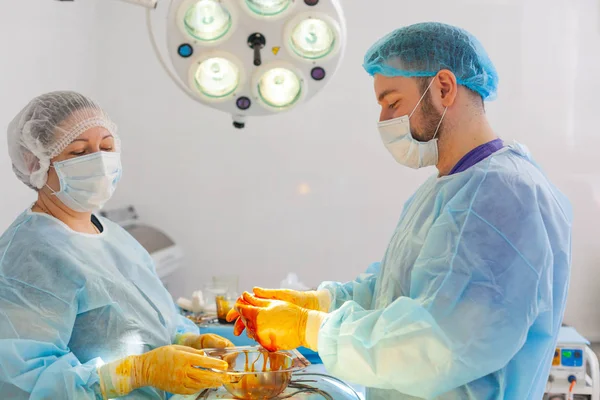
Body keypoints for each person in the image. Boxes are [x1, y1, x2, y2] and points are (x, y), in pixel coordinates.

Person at [228, 22, 573, 399]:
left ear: (443, 87)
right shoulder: (447, 189)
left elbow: (437, 344)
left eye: (393, 103)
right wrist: (319, 302)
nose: (383, 121)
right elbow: (395, 291)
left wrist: (310, 328)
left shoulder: (504, 195)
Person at [0, 91, 235, 399]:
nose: (98, 160)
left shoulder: (113, 234)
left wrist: (184, 341)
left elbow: (143, 319)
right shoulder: (29, 255)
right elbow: (22, 381)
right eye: (79, 152)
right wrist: (133, 373)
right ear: (37, 163)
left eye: (107, 147)